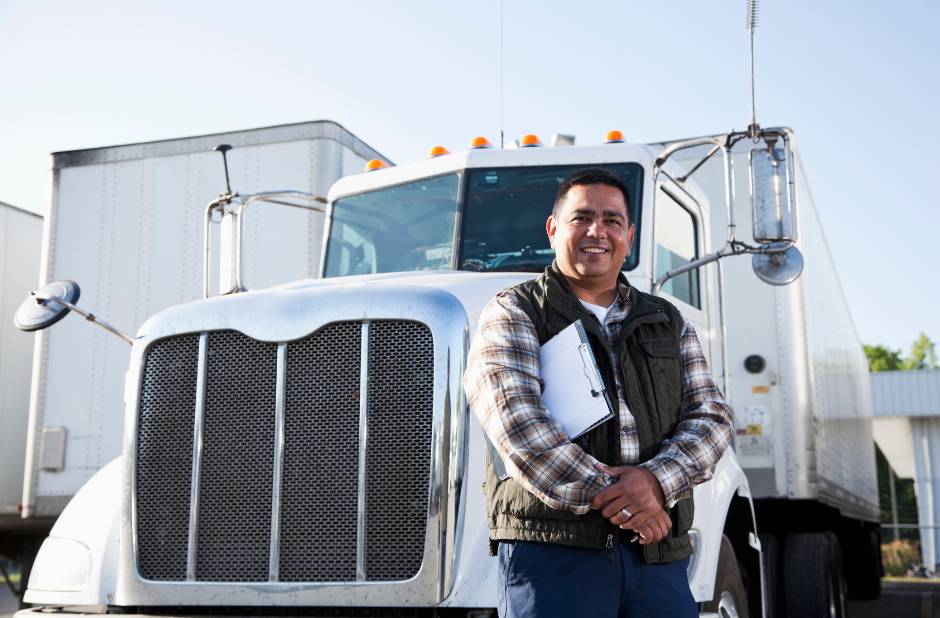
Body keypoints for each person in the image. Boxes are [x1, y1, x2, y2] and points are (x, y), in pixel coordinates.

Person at [463, 167, 733, 618]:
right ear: (553, 230)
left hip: (657, 558)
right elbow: (518, 425)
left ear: (629, 236)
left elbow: (713, 418)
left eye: (611, 220)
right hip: (556, 557)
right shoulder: (514, 310)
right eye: (581, 217)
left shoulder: (669, 320)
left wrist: (654, 483)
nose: (597, 231)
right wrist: (631, 505)